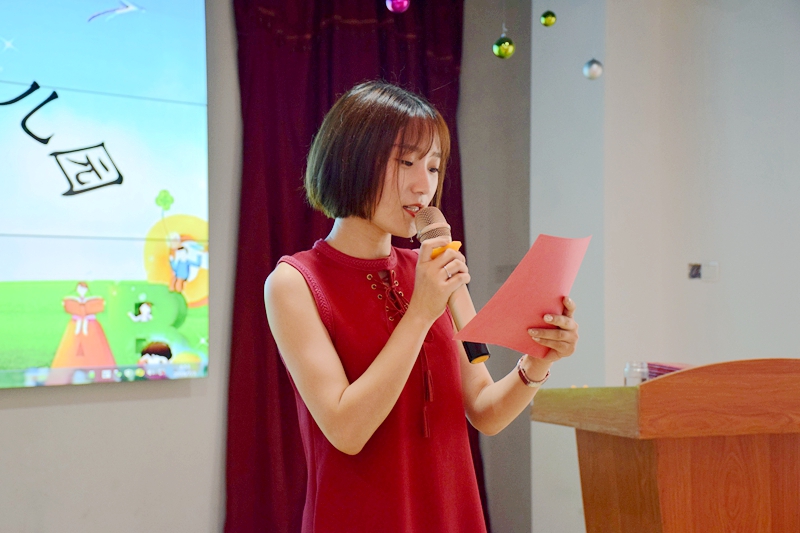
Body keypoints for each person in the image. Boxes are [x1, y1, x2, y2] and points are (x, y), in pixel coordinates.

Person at [264, 81, 579, 532]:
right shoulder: (294, 282)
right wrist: (420, 313)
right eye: (406, 162)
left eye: (433, 166)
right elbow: (346, 431)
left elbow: (485, 411)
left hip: (450, 514)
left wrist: (537, 361)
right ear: (350, 159)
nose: (424, 185)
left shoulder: (433, 269)